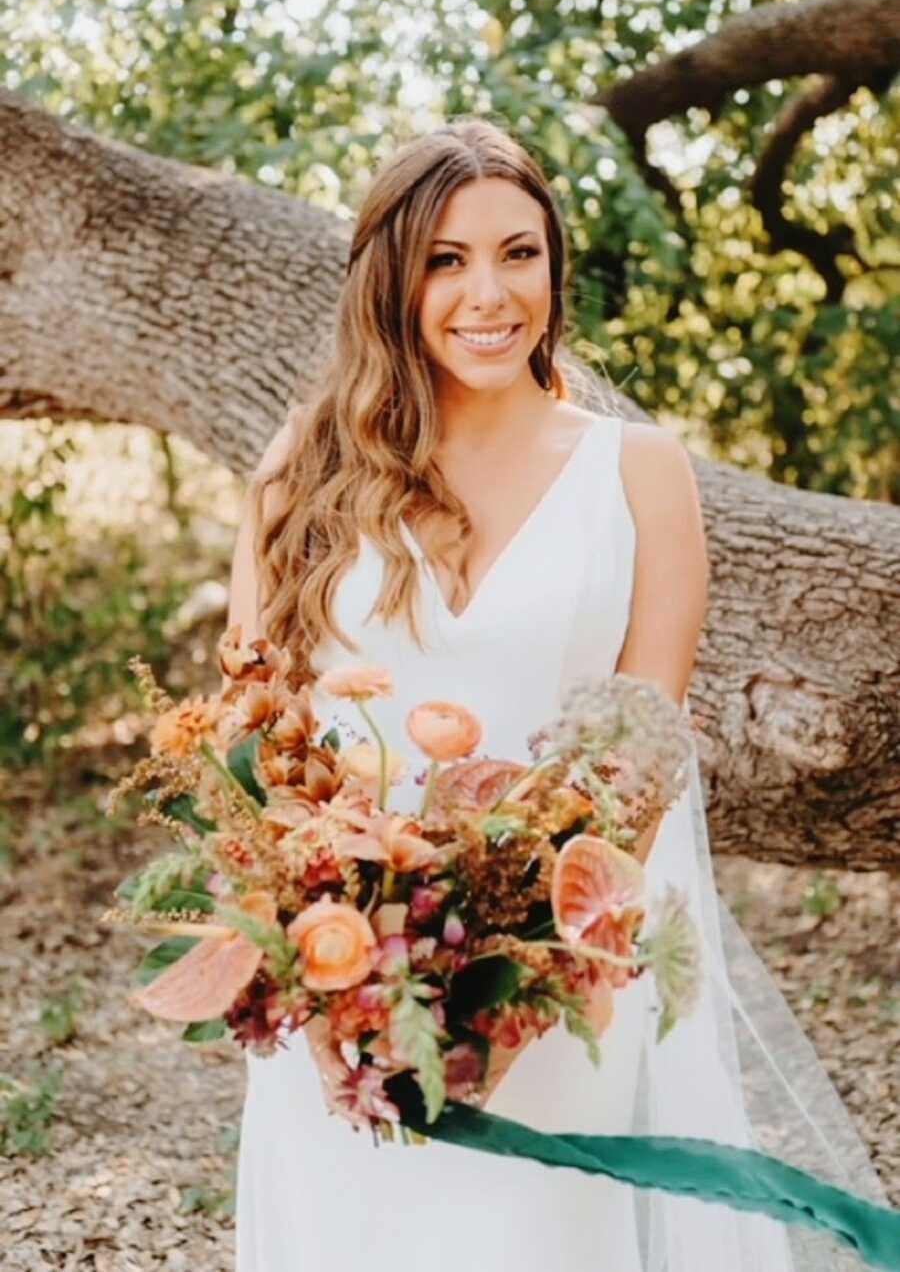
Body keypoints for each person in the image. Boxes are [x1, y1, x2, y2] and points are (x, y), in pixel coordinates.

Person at [227, 119, 887, 1271]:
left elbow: (640, 752)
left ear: (555, 266)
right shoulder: (303, 470)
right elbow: (253, 737)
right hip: (340, 962)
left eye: (518, 253)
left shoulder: (639, 474)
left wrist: (510, 976)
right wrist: (330, 957)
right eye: (447, 259)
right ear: (391, 278)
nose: (490, 293)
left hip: (560, 970)